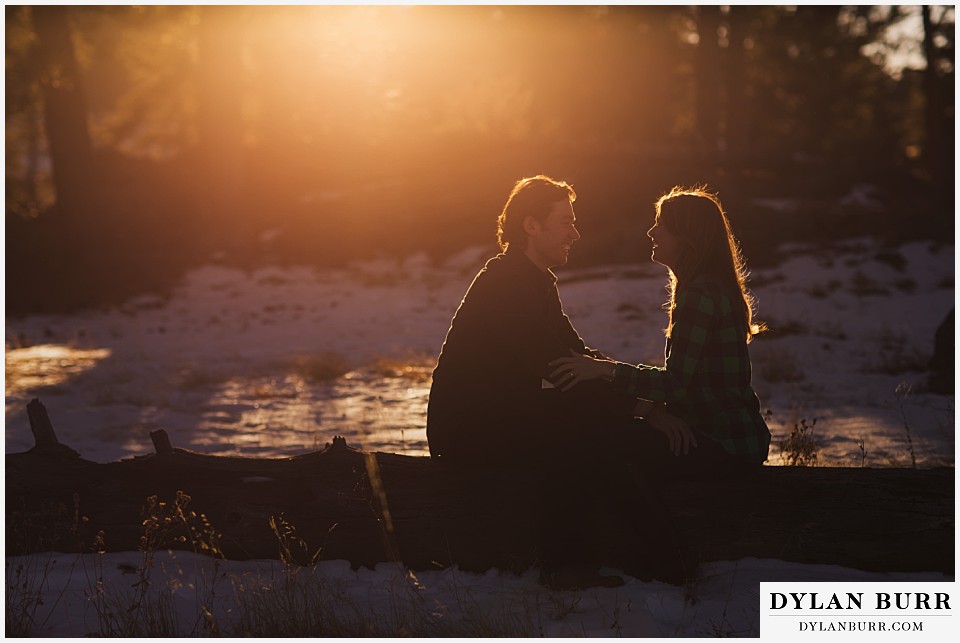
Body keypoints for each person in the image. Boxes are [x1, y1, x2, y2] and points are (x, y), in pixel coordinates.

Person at [426, 175, 691, 589]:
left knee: (589, 420)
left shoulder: (534, 280)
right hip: (467, 429)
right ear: (531, 226)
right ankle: (578, 563)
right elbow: (559, 368)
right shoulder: (506, 283)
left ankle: (660, 556)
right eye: (565, 222)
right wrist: (643, 410)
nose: (576, 233)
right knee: (584, 418)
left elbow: (578, 354)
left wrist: (636, 393)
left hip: (502, 415)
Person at [548, 185, 771, 476]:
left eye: (661, 224)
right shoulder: (709, 287)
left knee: (604, 440)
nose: (651, 232)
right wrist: (657, 414)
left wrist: (605, 370)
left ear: (686, 237)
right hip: (734, 439)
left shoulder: (699, 295)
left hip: (721, 441)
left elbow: (675, 383)